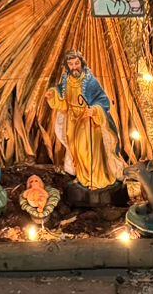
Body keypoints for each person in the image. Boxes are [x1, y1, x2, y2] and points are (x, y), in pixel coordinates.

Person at [46, 50, 126, 193]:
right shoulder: (66, 79)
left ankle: (96, 179)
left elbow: (103, 100)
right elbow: (61, 95)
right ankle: (83, 177)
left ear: (81, 63)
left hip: (88, 120)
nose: (74, 67)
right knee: (76, 149)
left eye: (76, 63)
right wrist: (52, 94)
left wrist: (94, 110)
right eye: (70, 64)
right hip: (72, 119)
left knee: (87, 150)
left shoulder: (90, 81)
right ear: (67, 66)